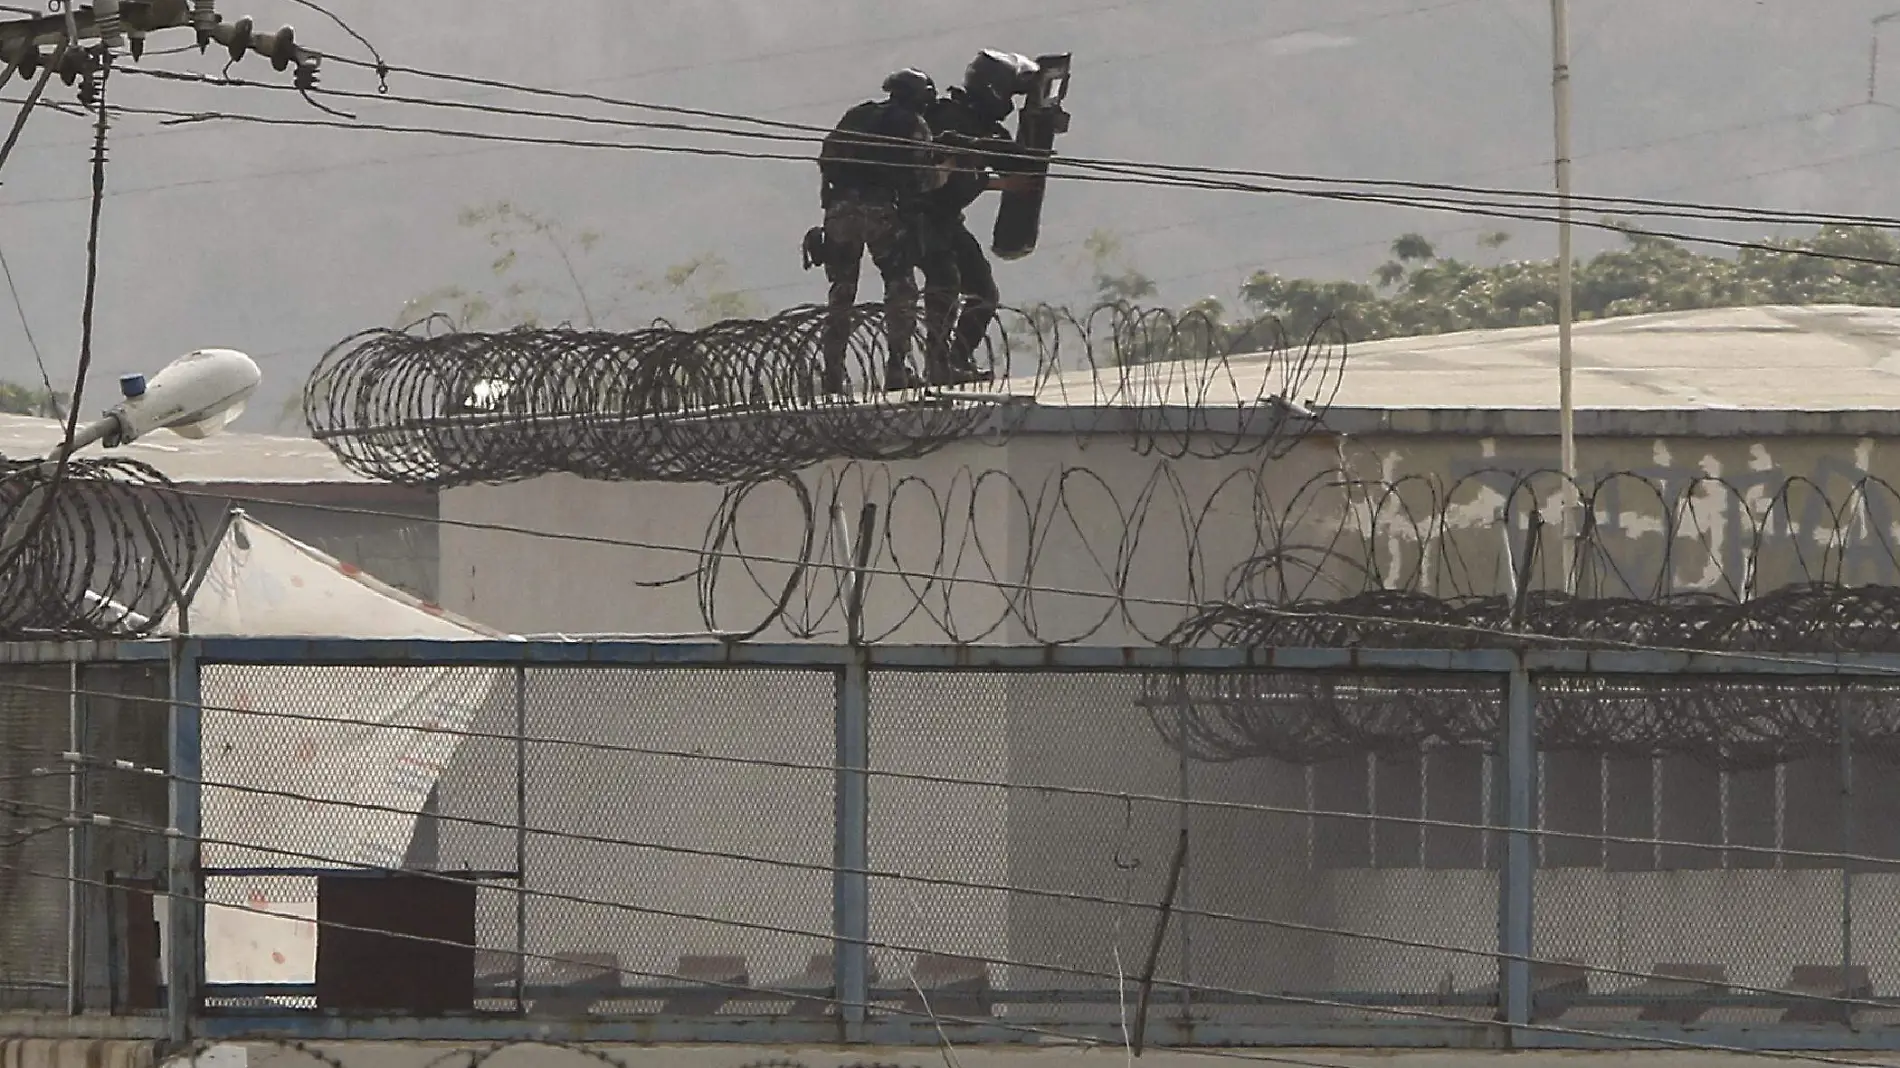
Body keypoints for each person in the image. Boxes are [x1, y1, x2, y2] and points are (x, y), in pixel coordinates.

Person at [813, 67, 944, 395]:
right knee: (900, 287)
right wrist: (951, 167)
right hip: (880, 211)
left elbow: (826, 157)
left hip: (839, 211)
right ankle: (897, 369)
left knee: (841, 292)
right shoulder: (914, 124)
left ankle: (832, 376)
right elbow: (924, 180)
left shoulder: (858, 114)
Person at [915, 49, 1042, 387]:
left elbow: (1012, 159)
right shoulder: (944, 117)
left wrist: (1041, 124)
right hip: (920, 217)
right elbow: (952, 175)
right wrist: (1002, 183)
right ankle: (937, 364)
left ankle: (955, 359)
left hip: (947, 220)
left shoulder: (984, 127)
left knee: (983, 293)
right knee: (944, 288)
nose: (1009, 104)